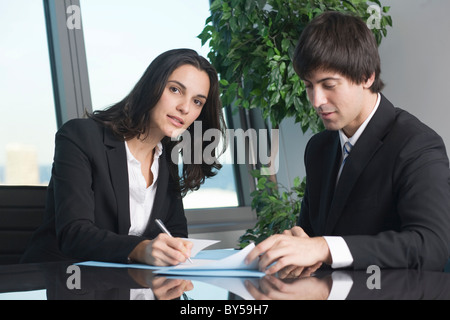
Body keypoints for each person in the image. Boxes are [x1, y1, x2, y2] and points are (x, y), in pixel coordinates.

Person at [246, 11, 450, 274]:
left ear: (367, 76)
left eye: (328, 85)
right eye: (309, 86)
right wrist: (299, 242)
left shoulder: (417, 145)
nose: (316, 100)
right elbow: (312, 237)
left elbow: (431, 246)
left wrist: (324, 248)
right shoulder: (318, 148)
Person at [21, 49, 226, 266]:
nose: (184, 107)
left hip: (125, 285)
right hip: (60, 281)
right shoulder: (81, 137)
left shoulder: (166, 158)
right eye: (175, 89)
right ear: (152, 86)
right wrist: (140, 249)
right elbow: (74, 234)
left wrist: (176, 250)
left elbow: (174, 232)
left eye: (197, 102)